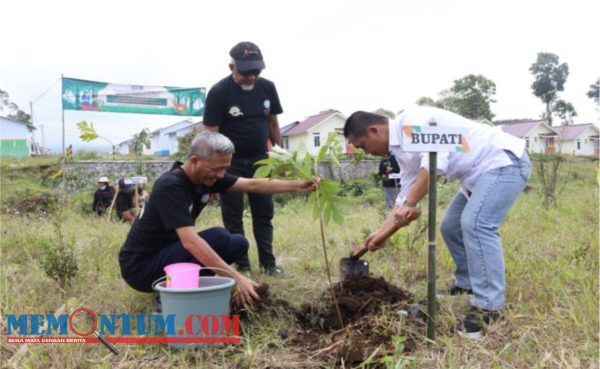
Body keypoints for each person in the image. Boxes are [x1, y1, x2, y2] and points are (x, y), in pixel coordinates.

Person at [344, 106, 531, 340]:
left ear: (374, 131)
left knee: (476, 224)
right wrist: (379, 235)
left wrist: (410, 204)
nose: (365, 152)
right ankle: (467, 285)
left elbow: (434, 167)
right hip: (477, 176)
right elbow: (404, 198)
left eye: (362, 145)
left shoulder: (413, 121)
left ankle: (489, 308)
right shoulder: (400, 151)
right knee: (451, 226)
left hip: (504, 162)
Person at [118, 131, 317, 305]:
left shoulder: (206, 177)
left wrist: (296, 185)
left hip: (168, 255)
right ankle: (172, 296)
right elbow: (190, 242)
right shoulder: (171, 186)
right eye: (217, 169)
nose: (222, 175)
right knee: (219, 237)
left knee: (237, 244)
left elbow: (253, 185)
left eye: (225, 168)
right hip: (140, 268)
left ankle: (186, 288)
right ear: (194, 161)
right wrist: (237, 278)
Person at [203, 41, 288, 277]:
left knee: (264, 214)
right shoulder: (219, 92)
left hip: (262, 161)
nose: (252, 76)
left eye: (256, 71)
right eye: (246, 71)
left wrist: (280, 157)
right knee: (233, 217)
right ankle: (242, 265)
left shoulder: (268, 88)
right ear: (232, 66)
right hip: (229, 165)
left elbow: (272, 123)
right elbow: (210, 133)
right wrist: (211, 172)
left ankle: (269, 265)